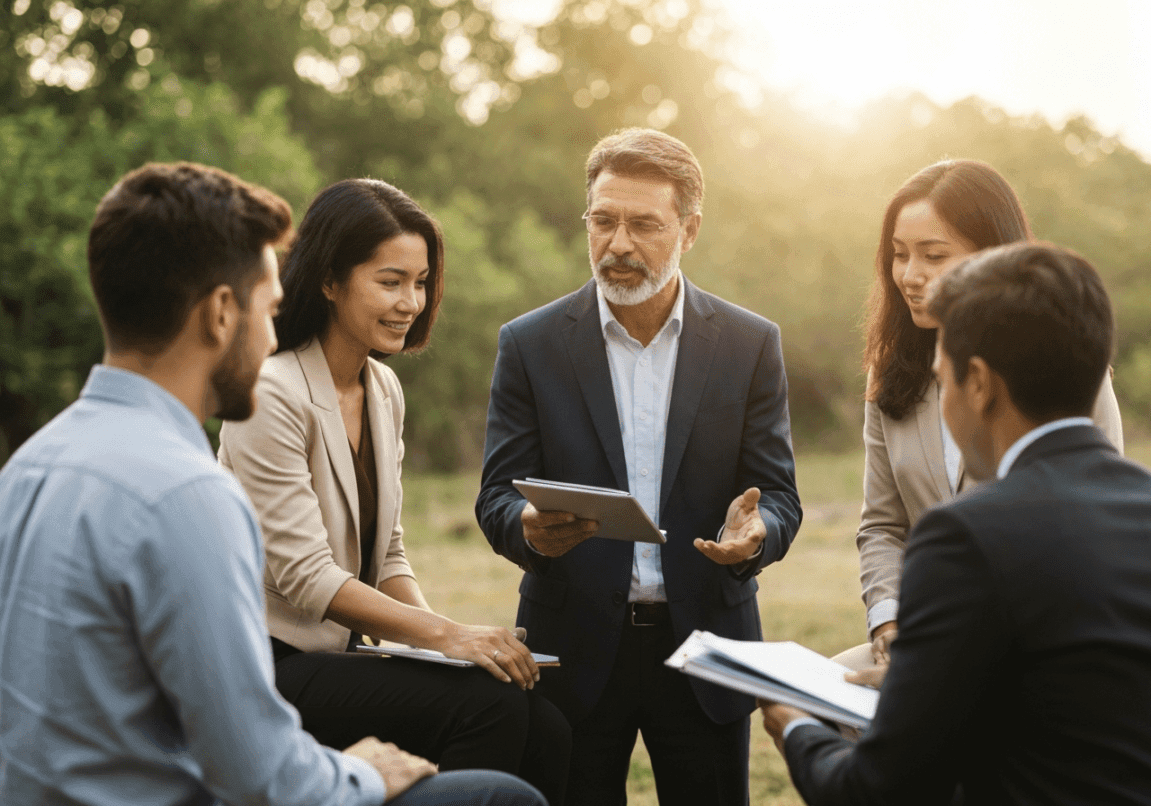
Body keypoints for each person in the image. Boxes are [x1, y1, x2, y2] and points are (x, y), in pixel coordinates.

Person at [0, 162, 546, 806]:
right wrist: (368, 773)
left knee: (538, 732)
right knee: (504, 797)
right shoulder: (188, 496)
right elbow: (261, 774)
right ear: (221, 314)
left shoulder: (26, 468)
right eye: (270, 307)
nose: (272, 337)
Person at [475, 128, 803, 806]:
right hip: (571, 650)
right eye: (603, 220)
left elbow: (777, 494)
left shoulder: (750, 344)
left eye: (643, 224)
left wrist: (757, 535)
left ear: (688, 230)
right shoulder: (528, 344)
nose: (617, 243)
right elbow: (495, 500)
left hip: (708, 648)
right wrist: (528, 527)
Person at [218, 178, 570, 805]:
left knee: (545, 724)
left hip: (339, 660)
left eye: (421, 281)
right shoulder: (271, 392)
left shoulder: (383, 390)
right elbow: (307, 578)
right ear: (330, 281)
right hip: (268, 664)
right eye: (390, 281)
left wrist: (453, 644)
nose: (411, 301)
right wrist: (447, 638)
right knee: (487, 708)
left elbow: (390, 557)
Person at [762, 241, 1151, 804]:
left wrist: (795, 724)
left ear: (979, 383)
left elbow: (874, 789)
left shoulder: (966, 535)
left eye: (942, 379)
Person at [846, 159, 1123, 672]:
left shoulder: (1066, 369)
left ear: (992, 258)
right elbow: (883, 525)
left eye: (934, 256)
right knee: (807, 704)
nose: (910, 275)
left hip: (1031, 644)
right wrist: (889, 621)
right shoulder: (890, 373)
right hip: (924, 635)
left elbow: (1093, 527)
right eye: (898, 255)